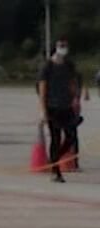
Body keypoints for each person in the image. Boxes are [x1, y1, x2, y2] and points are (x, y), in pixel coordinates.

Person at [39, 41, 83, 183]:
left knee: (70, 136)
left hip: (66, 106)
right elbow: (42, 89)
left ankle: (55, 157)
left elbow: (72, 82)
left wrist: (75, 97)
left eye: (65, 46)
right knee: (56, 138)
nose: (64, 49)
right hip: (53, 107)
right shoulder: (48, 67)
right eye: (61, 46)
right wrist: (44, 111)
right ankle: (55, 171)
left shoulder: (69, 65)